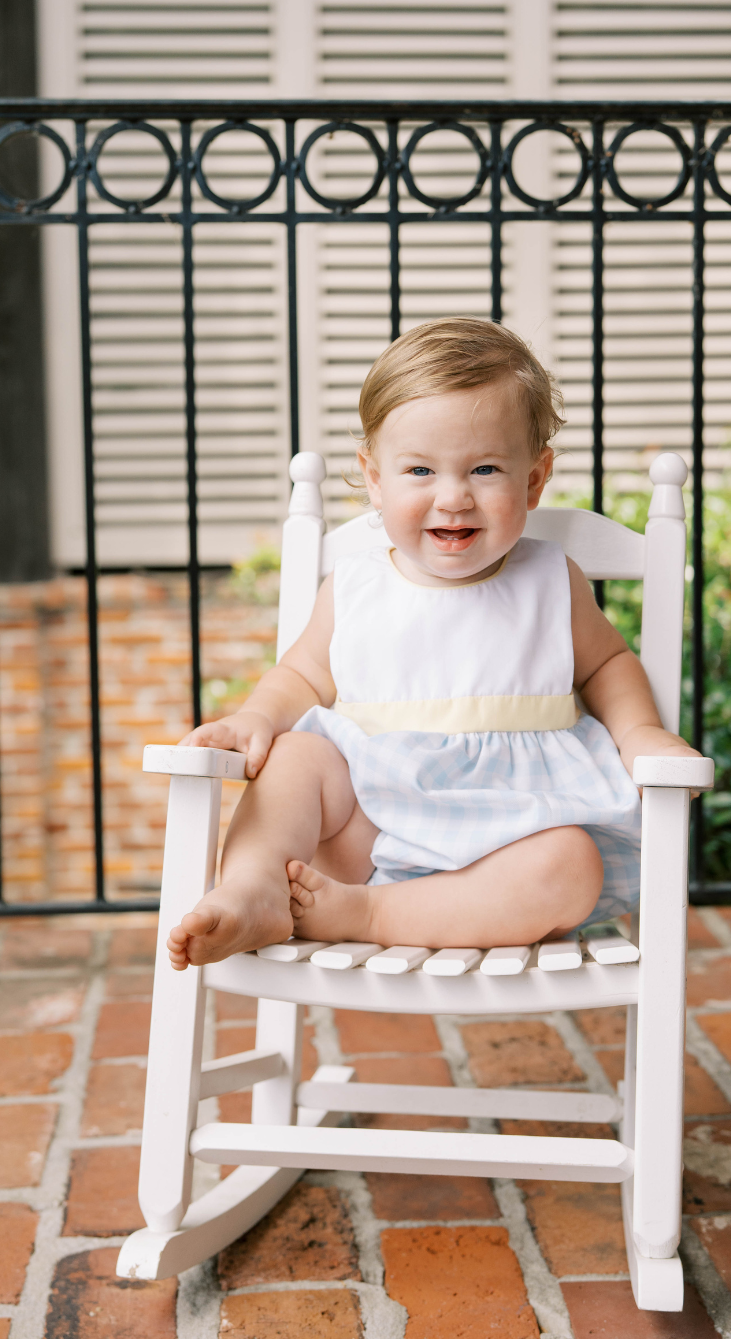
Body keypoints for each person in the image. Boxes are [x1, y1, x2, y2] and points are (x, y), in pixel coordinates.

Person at [167, 318, 700, 971]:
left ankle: (369, 915)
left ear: (534, 479)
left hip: (512, 838)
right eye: (420, 469)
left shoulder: (551, 580)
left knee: (570, 864)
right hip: (369, 827)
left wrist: (640, 733)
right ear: (375, 478)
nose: (453, 498)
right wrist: (255, 717)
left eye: (485, 469)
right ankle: (254, 888)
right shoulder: (355, 585)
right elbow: (303, 675)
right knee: (297, 757)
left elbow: (608, 663)